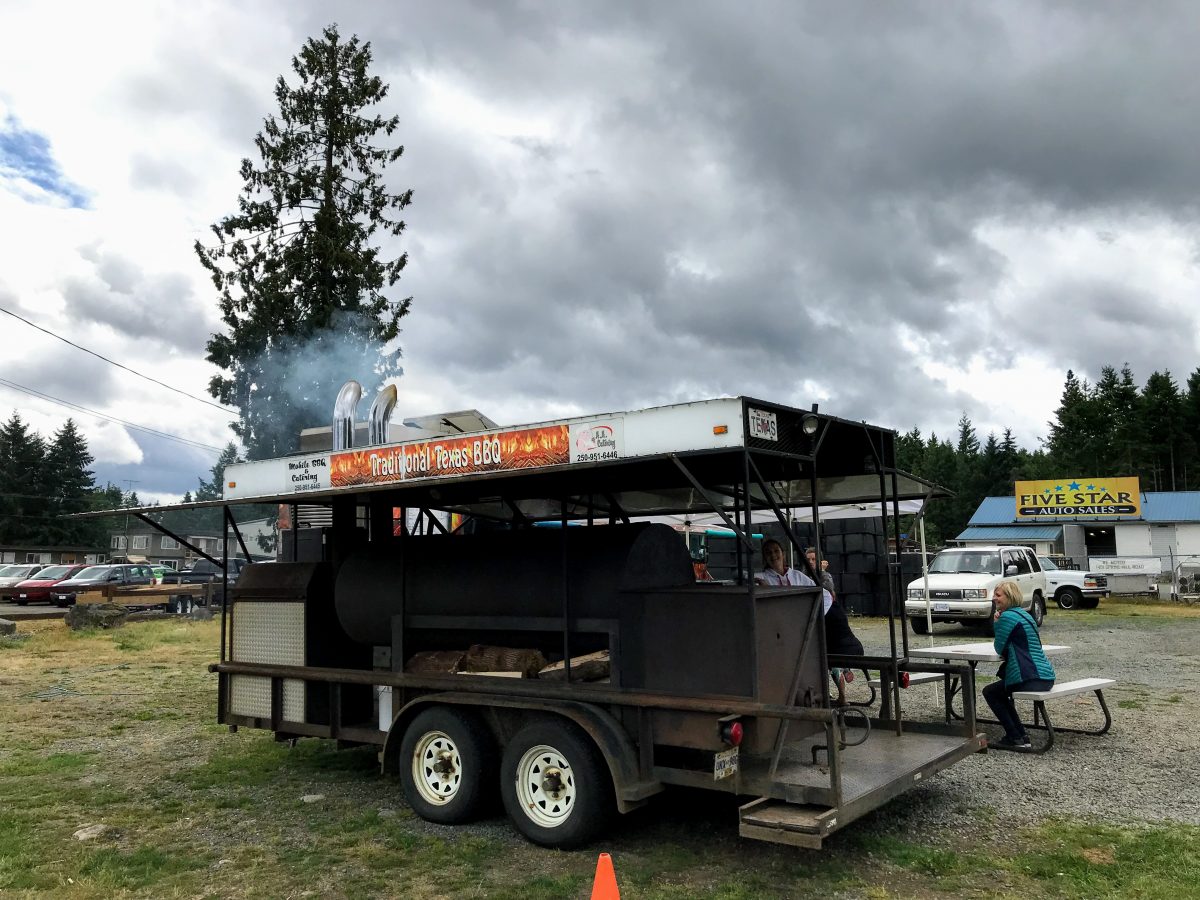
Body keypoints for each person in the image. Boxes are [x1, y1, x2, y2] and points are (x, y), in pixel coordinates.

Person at [758, 539, 861, 705]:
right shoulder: (762, 578)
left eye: (776, 551)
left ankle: (825, 696)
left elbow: (824, 595)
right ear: (764, 557)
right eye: (768, 553)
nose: (773, 555)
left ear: (783, 553)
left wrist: (812, 618)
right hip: (777, 635)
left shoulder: (798, 576)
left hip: (801, 632)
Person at [983, 580, 1055, 750]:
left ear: (1009, 597)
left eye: (998, 595)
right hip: (1045, 675)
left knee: (991, 692)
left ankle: (1015, 736)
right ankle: (1020, 735)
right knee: (1001, 692)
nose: (994, 598)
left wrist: (996, 622)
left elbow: (999, 647)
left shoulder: (1007, 617)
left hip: (1029, 675)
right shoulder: (1025, 615)